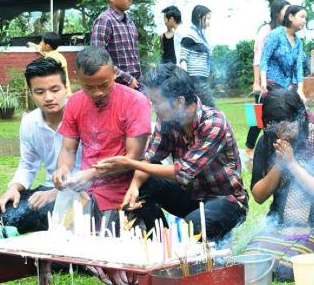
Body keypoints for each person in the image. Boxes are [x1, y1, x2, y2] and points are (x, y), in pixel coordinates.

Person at [95, 64, 248, 244]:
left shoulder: (214, 123)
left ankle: (189, 240)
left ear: (179, 101)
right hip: (190, 196)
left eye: (156, 102)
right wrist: (134, 187)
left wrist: (129, 163)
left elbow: (183, 172)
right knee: (144, 181)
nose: (153, 108)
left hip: (226, 201)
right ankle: (160, 243)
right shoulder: (168, 119)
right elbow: (150, 158)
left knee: (192, 226)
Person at [244, 88, 314, 280]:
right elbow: (259, 196)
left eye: (287, 127)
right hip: (279, 224)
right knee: (250, 262)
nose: (281, 133)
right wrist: (280, 164)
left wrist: (292, 164)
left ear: (301, 118)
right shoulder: (267, 141)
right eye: (276, 127)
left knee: (289, 268)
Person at [53, 46, 151, 228]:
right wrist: (63, 169)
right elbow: (68, 148)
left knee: (113, 242)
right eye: (89, 87)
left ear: (114, 72)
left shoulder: (136, 102)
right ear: (77, 77)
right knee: (71, 242)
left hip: (123, 194)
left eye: (104, 85)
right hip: (85, 194)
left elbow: (133, 158)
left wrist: (92, 174)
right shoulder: (74, 102)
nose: (97, 92)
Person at [0, 57, 80, 233]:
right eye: (39, 92)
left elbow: (92, 167)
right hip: (49, 186)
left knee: (59, 215)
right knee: (6, 215)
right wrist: (13, 189)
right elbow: (28, 165)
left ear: (65, 88)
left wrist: (56, 194)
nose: (48, 97)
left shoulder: (81, 114)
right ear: (31, 93)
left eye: (55, 89)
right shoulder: (29, 122)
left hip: (83, 189)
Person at [244, 0, 291, 158]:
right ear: (278, 11)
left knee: (279, 114)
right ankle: (250, 147)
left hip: (281, 82)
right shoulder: (266, 30)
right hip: (266, 82)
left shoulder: (285, 32)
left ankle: (275, 147)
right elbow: (258, 57)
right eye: (286, 10)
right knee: (260, 116)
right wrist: (257, 82)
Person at [90, 0, 140, 89]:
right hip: (116, 87)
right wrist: (127, 79)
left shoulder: (130, 22)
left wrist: (136, 81)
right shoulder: (105, 20)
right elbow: (98, 59)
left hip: (134, 86)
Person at [259, 5, 308, 102]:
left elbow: (298, 67)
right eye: (302, 17)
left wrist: (300, 89)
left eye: (305, 18)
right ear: (291, 17)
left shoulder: (298, 42)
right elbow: (264, 59)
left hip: (288, 86)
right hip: (272, 84)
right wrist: (263, 82)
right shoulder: (275, 35)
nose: (304, 21)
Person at [180, 5, 215, 107]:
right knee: (211, 108)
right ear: (199, 17)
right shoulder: (190, 35)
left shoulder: (201, 37)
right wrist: (186, 79)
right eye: (208, 18)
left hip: (201, 80)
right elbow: (183, 58)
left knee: (199, 109)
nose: (209, 22)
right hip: (195, 81)